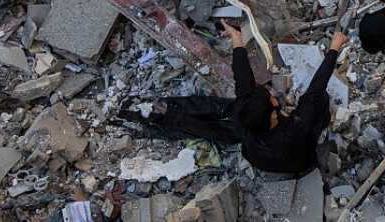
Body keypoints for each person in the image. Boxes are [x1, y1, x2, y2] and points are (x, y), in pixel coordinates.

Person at [117, 21, 346, 176]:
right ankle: (160, 113)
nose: (273, 93)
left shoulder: (244, 112)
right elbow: (316, 89)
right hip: (292, 160)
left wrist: (236, 38)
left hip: (252, 146)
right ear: (274, 111)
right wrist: (335, 47)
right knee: (319, 104)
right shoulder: (297, 126)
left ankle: (156, 113)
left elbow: (242, 73)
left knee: (209, 113)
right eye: (272, 96)